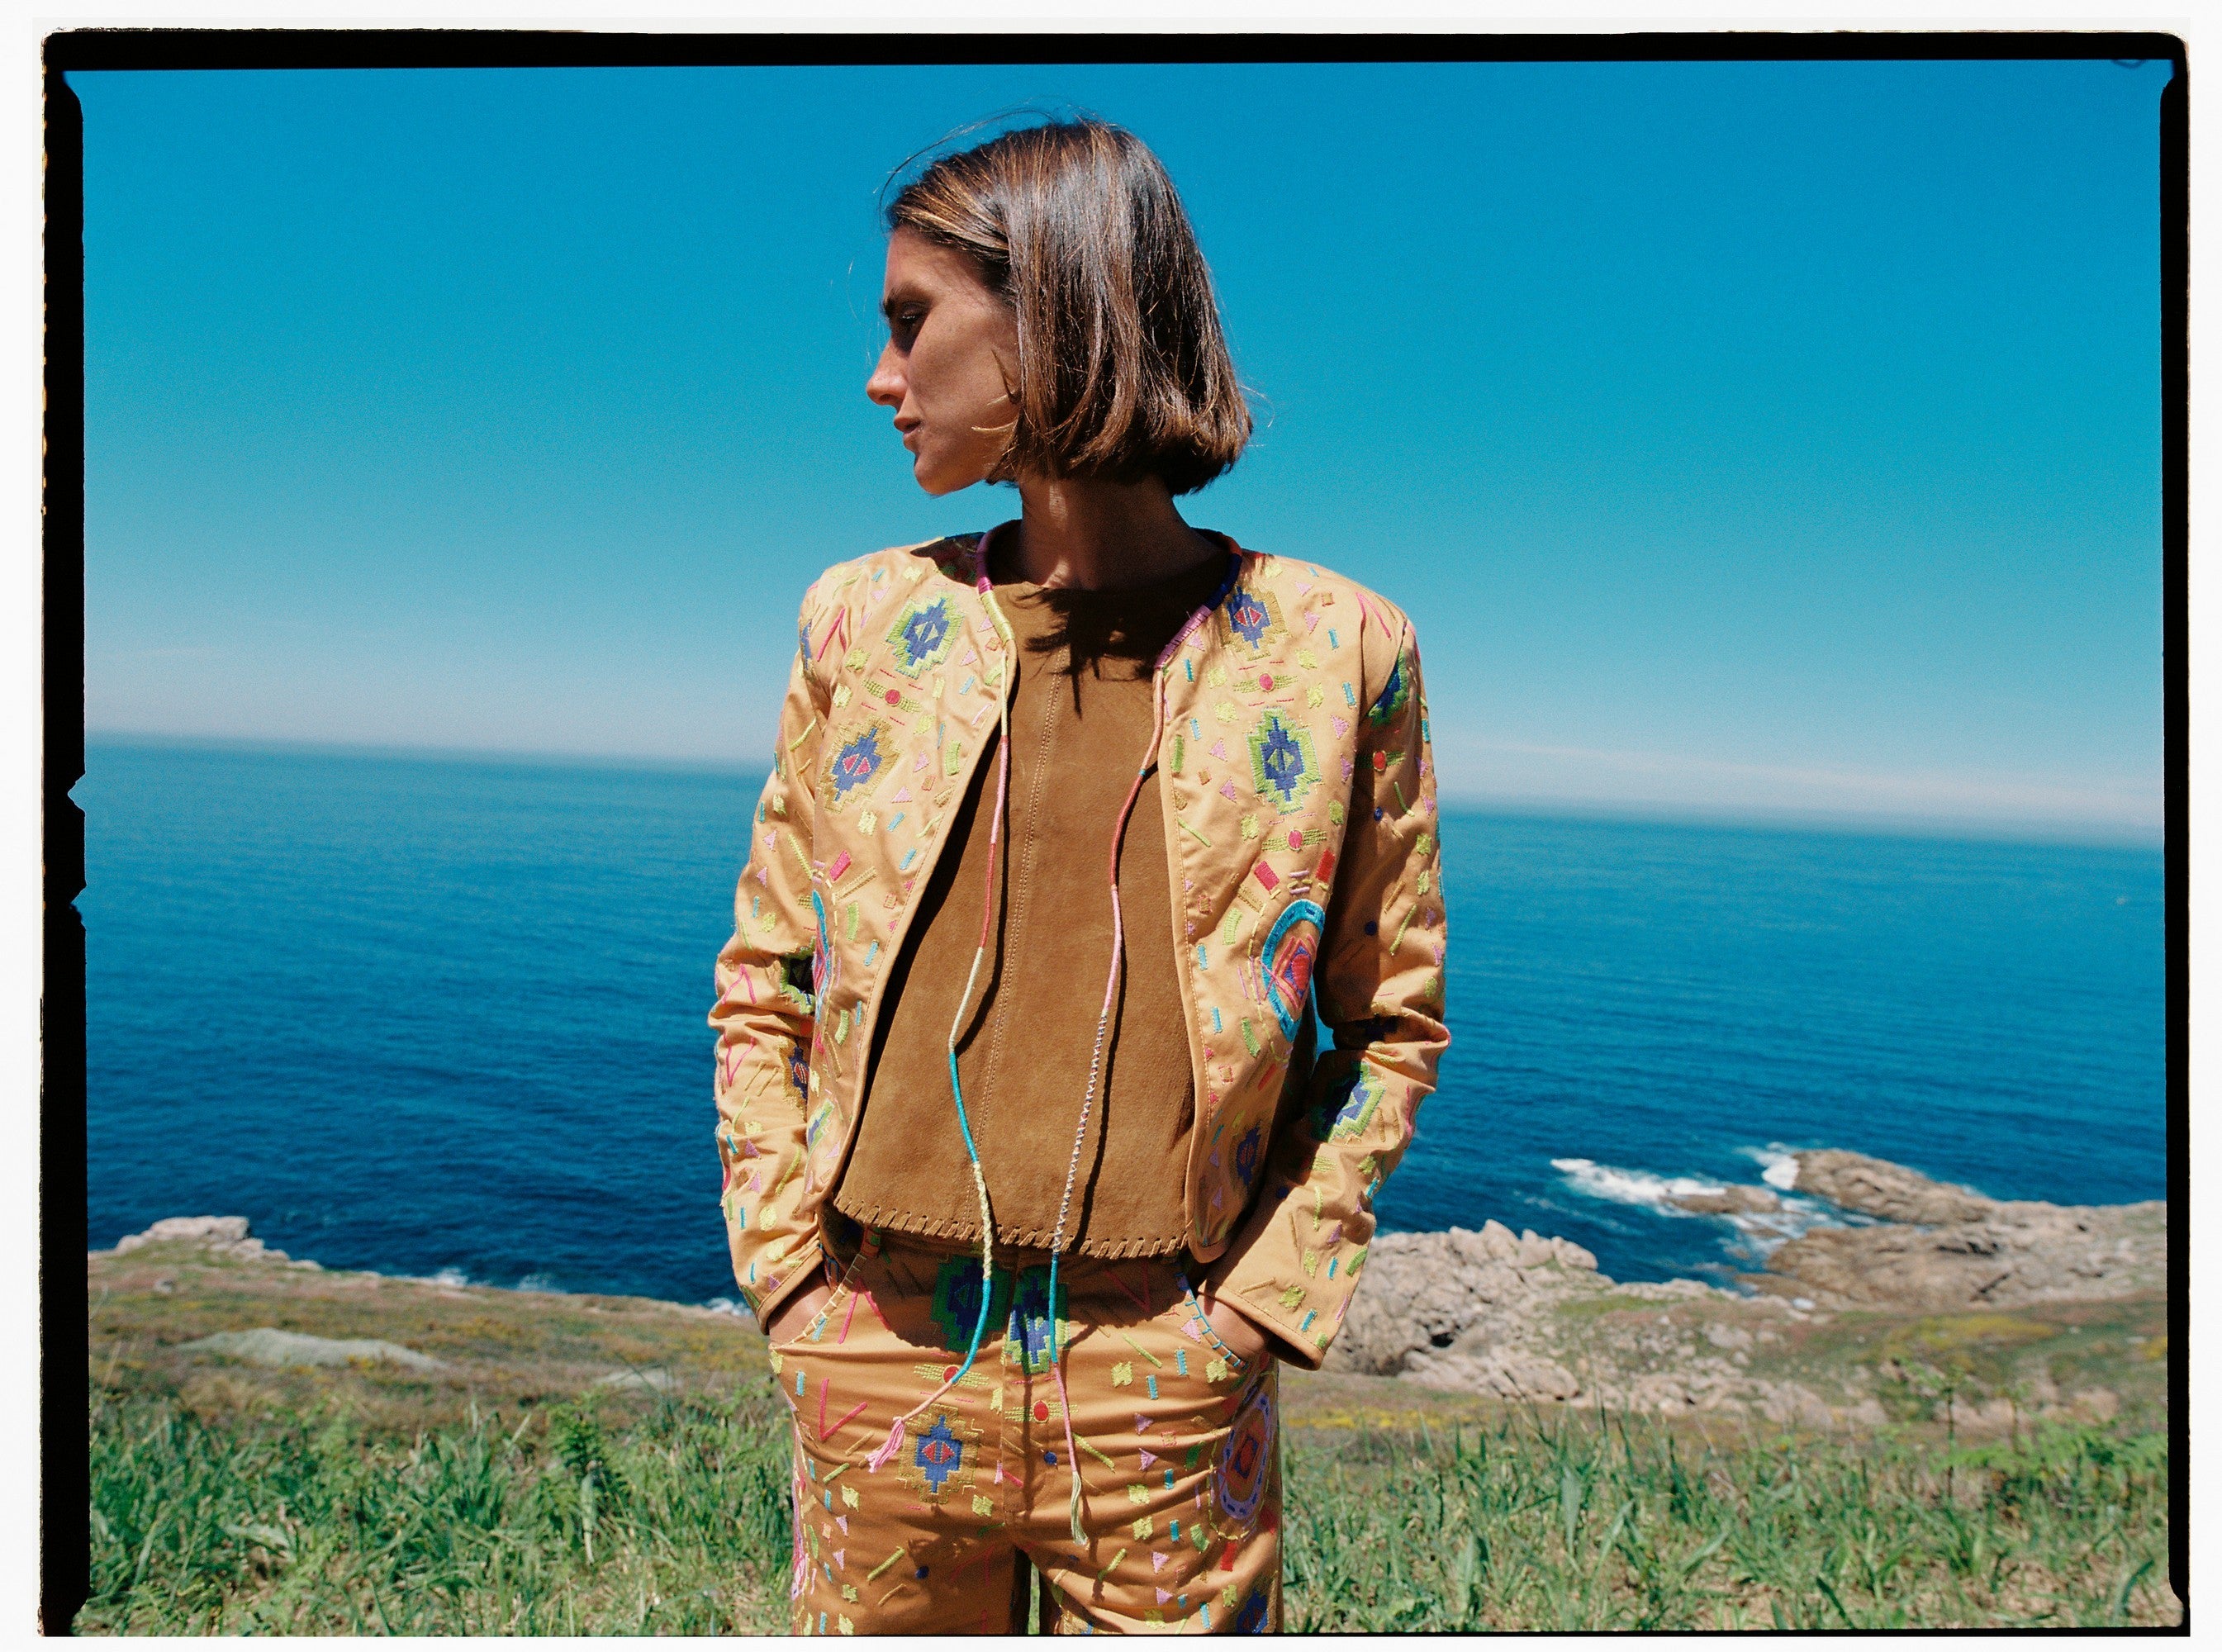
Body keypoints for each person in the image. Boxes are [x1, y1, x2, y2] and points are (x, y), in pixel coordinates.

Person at [709, 116, 1448, 1635]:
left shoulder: (1335, 648)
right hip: (870, 1341)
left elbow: (1389, 1026)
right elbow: (766, 976)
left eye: (910, 320)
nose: (879, 378)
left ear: (1050, 308)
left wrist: (1247, 1315)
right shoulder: (859, 621)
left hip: (1165, 1370)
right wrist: (789, 1280)